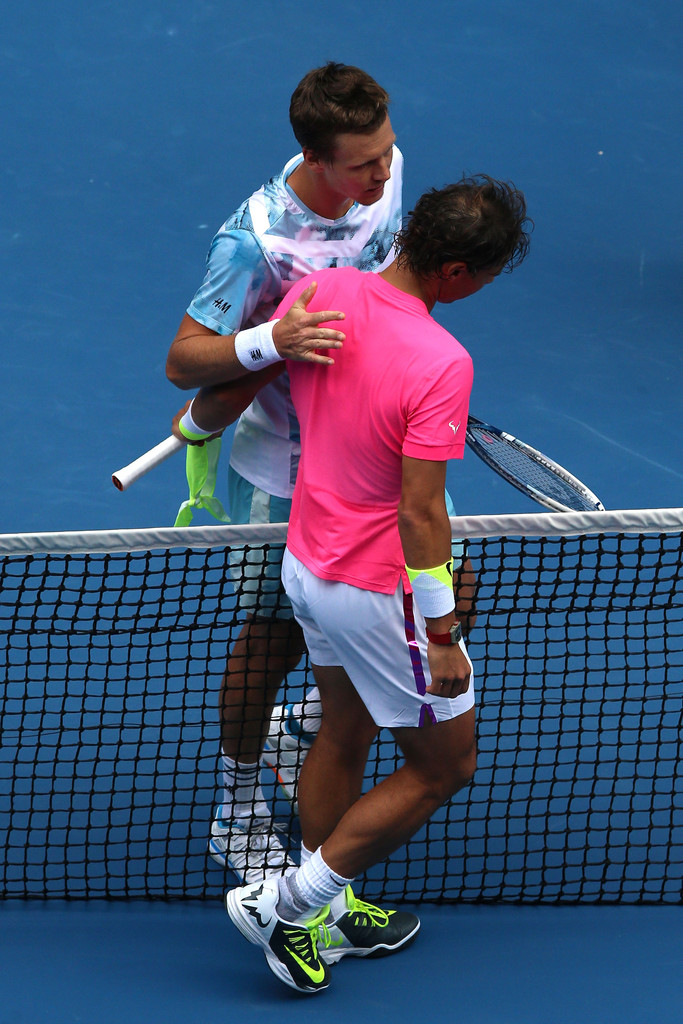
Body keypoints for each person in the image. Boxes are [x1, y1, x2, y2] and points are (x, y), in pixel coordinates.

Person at [167, 62, 477, 888]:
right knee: (269, 639)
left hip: (371, 445)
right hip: (281, 468)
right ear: (313, 154)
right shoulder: (255, 241)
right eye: (362, 164)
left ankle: (309, 721)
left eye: (387, 153)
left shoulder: (386, 173)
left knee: (456, 583)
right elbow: (182, 363)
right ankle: (236, 809)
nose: (383, 177)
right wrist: (277, 339)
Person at [218, 176, 531, 993]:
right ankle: (289, 902)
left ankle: (321, 918)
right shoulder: (441, 361)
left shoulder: (322, 294)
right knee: (444, 767)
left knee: (343, 731)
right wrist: (440, 634)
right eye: (486, 277)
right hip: (374, 590)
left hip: (307, 566)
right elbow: (422, 515)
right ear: (457, 272)